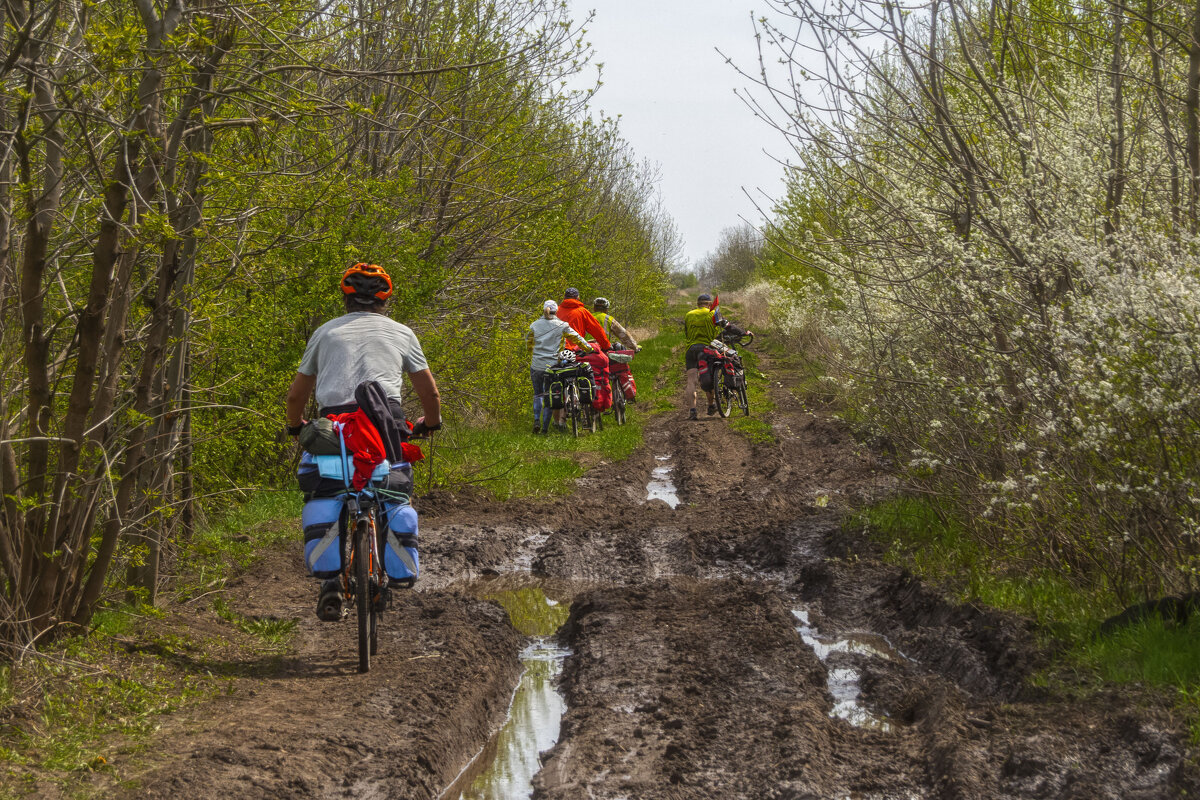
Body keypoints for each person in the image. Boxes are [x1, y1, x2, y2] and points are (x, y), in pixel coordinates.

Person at [285, 262, 442, 620]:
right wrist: (430, 423)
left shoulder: (324, 333)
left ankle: (331, 583)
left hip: (334, 428)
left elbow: (296, 397)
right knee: (392, 489)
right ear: (386, 301)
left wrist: (296, 426)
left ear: (345, 298)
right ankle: (387, 572)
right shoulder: (402, 333)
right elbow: (429, 394)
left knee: (327, 490)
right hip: (384, 425)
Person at [526, 299, 592, 434]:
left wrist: (536, 353)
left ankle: (536, 420)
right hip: (553, 367)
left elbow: (529, 345)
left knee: (538, 394)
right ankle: (544, 429)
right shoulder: (562, 325)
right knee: (550, 395)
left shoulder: (534, 325)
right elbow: (577, 338)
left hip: (536, 365)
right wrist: (588, 348)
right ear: (556, 311)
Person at [683, 292, 749, 420]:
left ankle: (692, 411)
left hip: (691, 349)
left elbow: (687, 332)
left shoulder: (688, 315)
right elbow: (727, 326)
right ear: (709, 304)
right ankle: (711, 405)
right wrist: (743, 332)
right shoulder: (713, 313)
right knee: (708, 376)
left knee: (691, 381)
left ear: (697, 304)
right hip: (706, 349)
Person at [557, 288, 612, 421]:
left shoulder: (556, 311)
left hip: (558, 351)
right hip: (576, 350)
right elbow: (597, 330)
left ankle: (560, 419)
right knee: (585, 374)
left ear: (564, 297)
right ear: (578, 298)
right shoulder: (582, 311)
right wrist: (606, 346)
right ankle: (587, 403)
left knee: (559, 381)